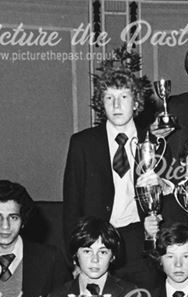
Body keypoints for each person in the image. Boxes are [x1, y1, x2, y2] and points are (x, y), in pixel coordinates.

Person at [62, 68, 159, 286]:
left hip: (141, 245)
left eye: (124, 97)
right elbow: (71, 206)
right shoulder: (82, 144)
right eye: (109, 98)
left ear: (136, 103)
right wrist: (75, 260)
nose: (116, 105)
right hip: (96, 246)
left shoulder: (155, 144)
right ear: (101, 103)